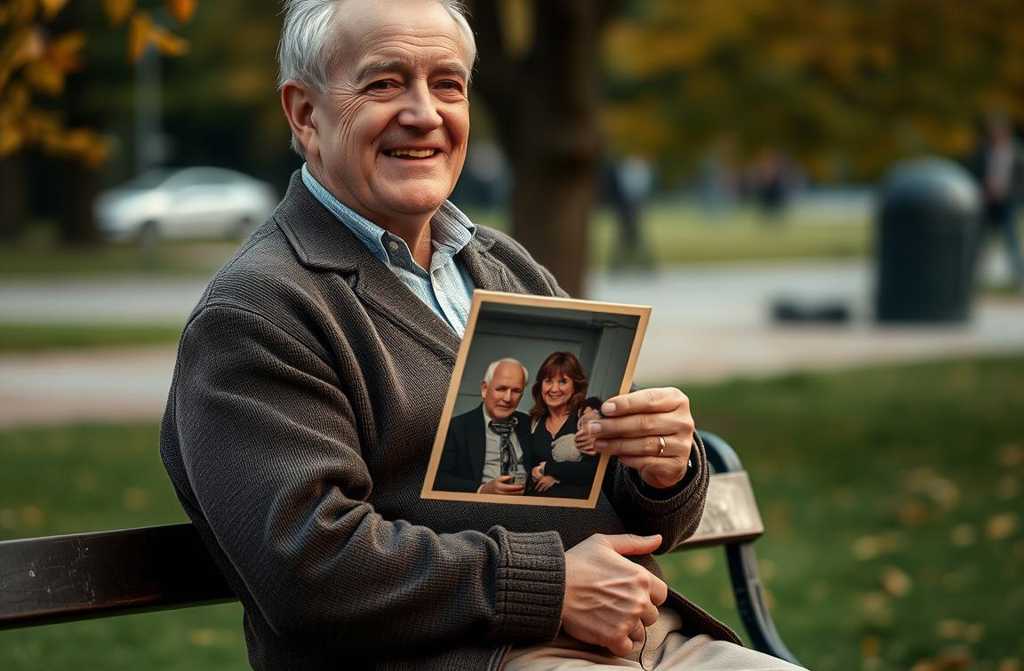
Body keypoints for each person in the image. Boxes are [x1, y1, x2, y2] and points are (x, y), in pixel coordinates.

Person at [160, 0, 806, 669]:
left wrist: (662, 469)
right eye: (383, 83)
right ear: (304, 113)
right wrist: (549, 584)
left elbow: (627, 505)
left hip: (644, 640)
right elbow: (309, 568)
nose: (424, 113)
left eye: (448, 85)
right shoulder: (258, 312)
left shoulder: (502, 263)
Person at [435, 358, 532, 494]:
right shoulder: (456, 427)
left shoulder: (529, 423)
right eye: (501, 389)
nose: (508, 398)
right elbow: (438, 479)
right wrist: (482, 490)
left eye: (516, 391)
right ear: (485, 389)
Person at [527, 352, 600, 499]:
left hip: (575, 511)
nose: (554, 389)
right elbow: (524, 467)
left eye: (562, 381)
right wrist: (532, 474)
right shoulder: (532, 422)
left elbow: (595, 471)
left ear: (575, 386)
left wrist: (554, 474)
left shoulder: (586, 417)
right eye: (548, 381)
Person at [970, 112, 1024, 290]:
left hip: (1007, 203)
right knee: (981, 241)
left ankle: (1019, 279)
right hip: (987, 203)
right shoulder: (982, 152)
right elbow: (975, 174)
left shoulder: (1016, 153)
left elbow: (1020, 180)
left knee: (1011, 241)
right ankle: (974, 278)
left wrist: (1008, 192)